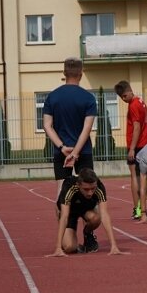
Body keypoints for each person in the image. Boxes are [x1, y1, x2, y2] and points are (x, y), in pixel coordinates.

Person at [42, 57, 97, 194]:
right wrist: (75, 152)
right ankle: (90, 216)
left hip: (61, 151)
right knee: (88, 190)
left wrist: (62, 147)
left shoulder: (52, 97)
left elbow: (47, 125)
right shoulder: (88, 98)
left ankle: (62, 216)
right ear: (81, 74)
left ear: (64, 73)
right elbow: (87, 128)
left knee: (62, 191)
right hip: (83, 151)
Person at [48, 168, 122, 257]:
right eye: (86, 189)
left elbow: (105, 215)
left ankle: (88, 233)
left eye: (92, 188)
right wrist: (58, 248)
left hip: (86, 209)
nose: (90, 193)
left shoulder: (99, 186)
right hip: (69, 211)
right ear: (78, 185)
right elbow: (64, 216)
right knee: (69, 248)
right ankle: (68, 243)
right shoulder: (69, 185)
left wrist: (114, 246)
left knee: (96, 218)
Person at [115, 80, 147, 220]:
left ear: (128, 92)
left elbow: (137, 127)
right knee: (145, 176)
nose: (124, 100)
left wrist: (132, 148)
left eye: (124, 96)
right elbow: (146, 123)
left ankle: (138, 208)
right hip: (146, 143)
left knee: (135, 177)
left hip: (137, 146)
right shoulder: (141, 102)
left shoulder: (133, 105)